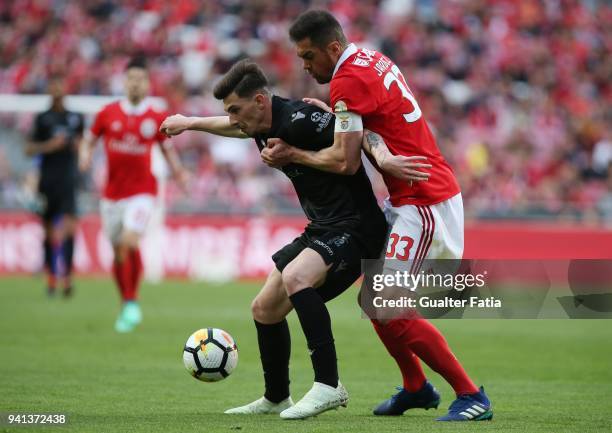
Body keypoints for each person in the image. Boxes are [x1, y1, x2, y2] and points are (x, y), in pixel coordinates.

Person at [161, 59, 429, 419]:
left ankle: (329, 385)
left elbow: (351, 140)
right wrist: (190, 123)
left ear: (259, 101)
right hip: (322, 227)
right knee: (265, 309)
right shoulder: (259, 121)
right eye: (229, 112)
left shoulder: (300, 119)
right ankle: (276, 397)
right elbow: (235, 128)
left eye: (236, 109)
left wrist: (382, 157)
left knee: (296, 277)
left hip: (356, 227)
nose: (234, 118)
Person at [261, 10, 493, 422]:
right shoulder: (369, 59)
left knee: (386, 304)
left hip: (424, 200)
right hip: (412, 196)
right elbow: (372, 129)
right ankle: (416, 387)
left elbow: (347, 161)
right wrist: (374, 146)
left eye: (309, 56)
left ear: (333, 48)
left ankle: (471, 394)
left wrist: (294, 154)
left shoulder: (347, 80)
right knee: (375, 302)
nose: (305, 65)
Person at [79, 57, 188, 333]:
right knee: (118, 252)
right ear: (124, 82)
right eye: (131, 78)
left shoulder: (153, 117)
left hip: (143, 192)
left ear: (147, 83)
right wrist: (85, 155)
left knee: (129, 242)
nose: (135, 83)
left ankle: (132, 302)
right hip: (112, 195)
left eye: (140, 78)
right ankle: (127, 301)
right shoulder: (107, 113)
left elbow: (167, 150)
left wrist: (179, 173)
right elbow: (89, 140)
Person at [26, 75, 83, 297]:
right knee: (50, 230)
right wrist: (51, 145)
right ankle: (51, 277)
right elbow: (29, 149)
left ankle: (67, 277)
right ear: (49, 89)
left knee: (69, 227)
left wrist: (79, 146)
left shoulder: (75, 118)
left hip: (68, 179)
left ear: (66, 88)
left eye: (60, 85)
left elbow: (82, 145)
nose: (57, 89)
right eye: (54, 85)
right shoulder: (42, 119)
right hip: (48, 180)